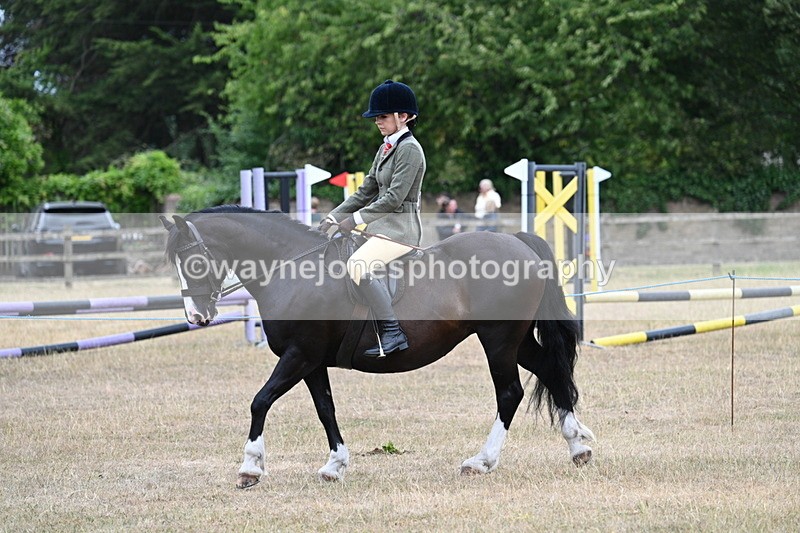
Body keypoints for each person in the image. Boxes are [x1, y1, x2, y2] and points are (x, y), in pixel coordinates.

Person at [318, 80, 426, 358]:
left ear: (404, 117)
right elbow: (366, 190)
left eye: (383, 116)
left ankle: (392, 331)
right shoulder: (386, 148)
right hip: (381, 228)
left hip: (401, 230)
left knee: (357, 263)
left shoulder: (410, 149)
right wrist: (334, 215)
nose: (378, 121)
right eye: (377, 117)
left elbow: (394, 198)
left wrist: (354, 220)